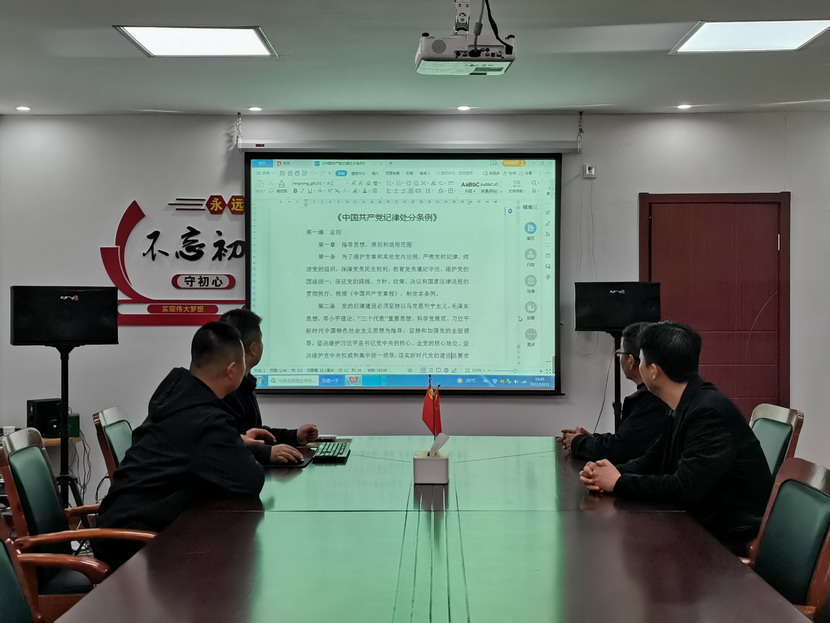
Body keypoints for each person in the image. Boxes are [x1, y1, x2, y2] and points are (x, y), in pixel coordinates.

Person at [579, 321, 773, 555]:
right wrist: (608, 472)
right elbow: (654, 459)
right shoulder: (687, 401)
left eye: (641, 360)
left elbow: (683, 489)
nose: (638, 366)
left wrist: (618, 482)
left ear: (653, 371)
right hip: (703, 521)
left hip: (727, 536)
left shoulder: (707, 412)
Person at [93, 322, 267, 569]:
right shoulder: (204, 418)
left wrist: (237, 444)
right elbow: (250, 480)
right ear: (232, 370)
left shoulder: (177, 394)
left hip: (126, 524)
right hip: (133, 544)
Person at [558, 322, 669, 463]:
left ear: (630, 361)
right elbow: (629, 440)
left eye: (619, 353)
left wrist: (578, 442)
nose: (619, 358)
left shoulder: (651, 400)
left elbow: (620, 450)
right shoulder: (654, 395)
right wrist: (590, 439)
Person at [219, 308, 318, 465]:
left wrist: (294, 436)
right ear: (254, 348)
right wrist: (266, 452)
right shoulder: (224, 389)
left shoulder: (244, 383)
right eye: (261, 341)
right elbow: (224, 444)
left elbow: (253, 433)